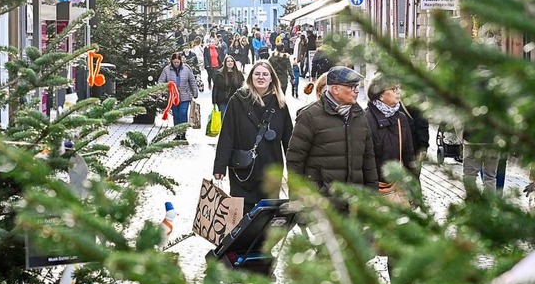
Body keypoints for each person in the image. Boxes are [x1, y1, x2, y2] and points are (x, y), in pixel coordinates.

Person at [287, 66, 378, 209]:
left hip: (354, 202)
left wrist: (372, 194)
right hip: (321, 202)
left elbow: (368, 158)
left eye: (357, 86)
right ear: (335, 89)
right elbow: (295, 159)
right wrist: (296, 201)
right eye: (352, 86)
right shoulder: (310, 116)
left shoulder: (359, 115)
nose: (356, 90)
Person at [213, 60, 294, 215]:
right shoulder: (237, 101)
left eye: (265, 74)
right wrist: (219, 166)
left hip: (271, 169)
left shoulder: (280, 105)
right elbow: (227, 135)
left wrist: (294, 171)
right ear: (250, 78)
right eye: (257, 74)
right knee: (242, 216)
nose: (261, 77)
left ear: (272, 78)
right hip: (243, 170)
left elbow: (288, 140)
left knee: (267, 217)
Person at [365, 74, 417, 200]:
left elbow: (408, 155)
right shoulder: (365, 119)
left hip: (398, 188)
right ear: (381, 95)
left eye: (398, 88)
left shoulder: (401, 118)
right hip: (375, 189)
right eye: (393, 89)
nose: (398, 92)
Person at [461, 78, 500, 195]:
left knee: (469, 175)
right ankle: (488, 205)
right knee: (490, 177)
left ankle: (473, 202)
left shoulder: (467, 90)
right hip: (493, 140)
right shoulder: (498, 90)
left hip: (472, 140)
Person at [158, 53, 199, 141]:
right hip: (173, 96)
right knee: (176, 115)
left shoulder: (186, 69)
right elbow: (161, 81)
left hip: (185, 95)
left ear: (180, 61)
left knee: (183, 113)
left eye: (178, 62)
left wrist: (195, 92)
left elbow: (192, 81)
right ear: (172, 61)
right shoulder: (167, 70)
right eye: (174, 62)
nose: (176, 63)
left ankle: (183, 133)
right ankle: (177, 133)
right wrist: (162, 91)